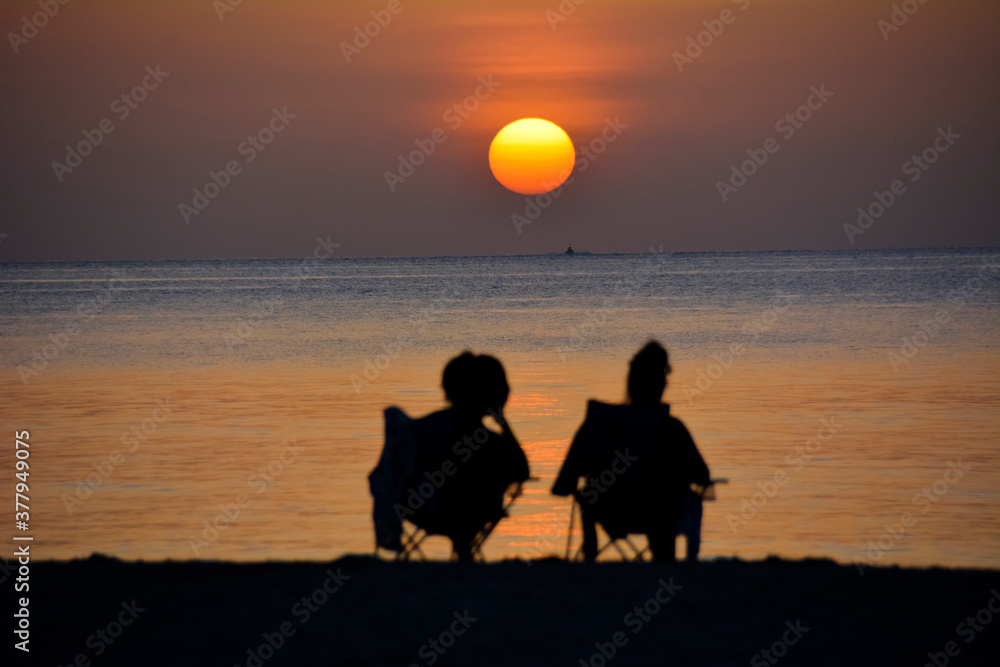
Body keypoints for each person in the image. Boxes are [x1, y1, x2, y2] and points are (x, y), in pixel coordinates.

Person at [551, 341, 710, 561]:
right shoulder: (670, 427)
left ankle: (589, 559)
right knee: (671, 495)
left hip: (610, 510)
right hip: (656, 512)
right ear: (662, 384)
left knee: (589, 493)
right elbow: (702, 475)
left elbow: (569, 477)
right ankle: (665, 564)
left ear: (631, 382)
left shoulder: (601, 423)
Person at [403, 352, 530, 560]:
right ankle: (463, 550)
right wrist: (503, 422)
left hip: (417, 510)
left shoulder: (425, 426)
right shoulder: (486, 440)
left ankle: (462, 549)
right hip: (468, 514)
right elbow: (522, 471)